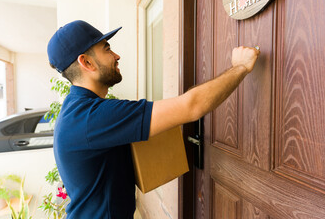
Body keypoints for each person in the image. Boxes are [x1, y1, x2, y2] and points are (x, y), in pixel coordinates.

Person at [47, 20, 259, 219]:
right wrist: (241, 67)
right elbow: (192, 106)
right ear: (86, 62)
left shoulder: (77, 110)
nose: (117, 55)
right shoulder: (92, 117)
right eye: (107, 49)